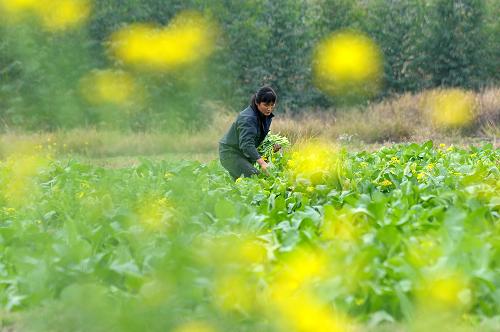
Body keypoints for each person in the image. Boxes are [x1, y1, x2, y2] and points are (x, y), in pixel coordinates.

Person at [219, 86, 280, 180]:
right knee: (256, 178)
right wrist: (263, 163)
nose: (269, 108)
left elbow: (258, 139)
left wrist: (271, 148)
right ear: (257, 103)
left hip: (243, 154)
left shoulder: (266, 116)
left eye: (272, 105)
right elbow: (246, 144)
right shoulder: (248, 118)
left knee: (241, 186)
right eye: (266, 105)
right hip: (231, 154)